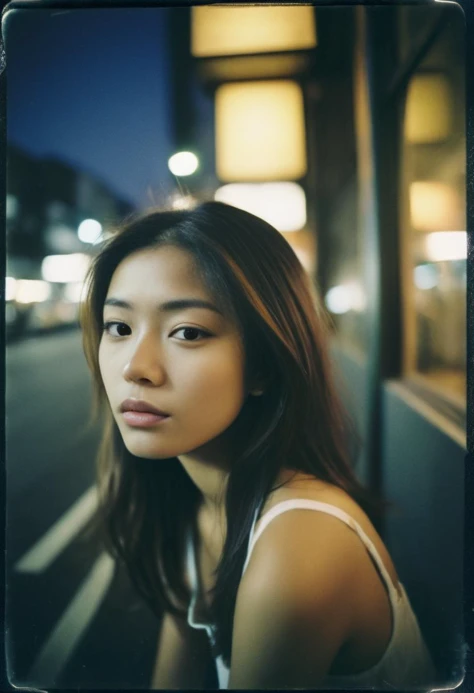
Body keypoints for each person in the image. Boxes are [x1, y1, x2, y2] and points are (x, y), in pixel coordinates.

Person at [80, 201, 435, 689]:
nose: (135, 367)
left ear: (264, 367)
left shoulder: (300, 542)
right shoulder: (200, 506)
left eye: (188, 332)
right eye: (119, 327)